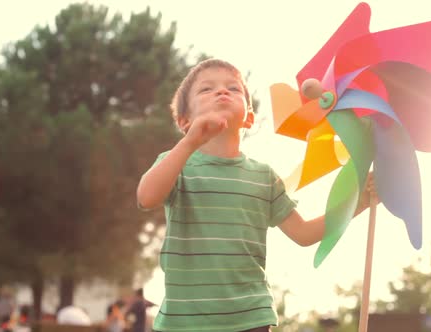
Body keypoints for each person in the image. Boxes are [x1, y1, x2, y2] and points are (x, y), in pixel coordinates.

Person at [137, 58, 378, 332]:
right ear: (184, 121)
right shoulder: (175, 164)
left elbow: (304, 234)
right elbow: (147, 198)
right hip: (184, 320)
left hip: (250, 318)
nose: (222, 92)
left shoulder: (264, 176)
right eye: (206, 89)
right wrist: (189, 142)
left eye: (233, 88)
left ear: (249, 117)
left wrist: (358, 203)